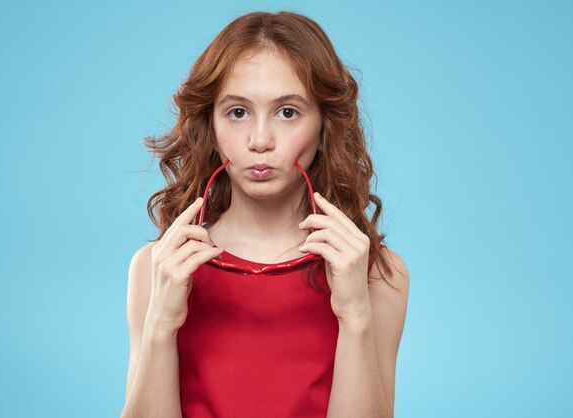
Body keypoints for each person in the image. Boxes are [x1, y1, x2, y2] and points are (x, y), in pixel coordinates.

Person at [121, 10, 410, 418]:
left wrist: (355, 315)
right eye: (238, 112)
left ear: (325, 125)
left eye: (287, 112)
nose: (260, 140)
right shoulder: (156, 267)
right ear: (211, 124)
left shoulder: (380, 275)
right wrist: (160, 326)